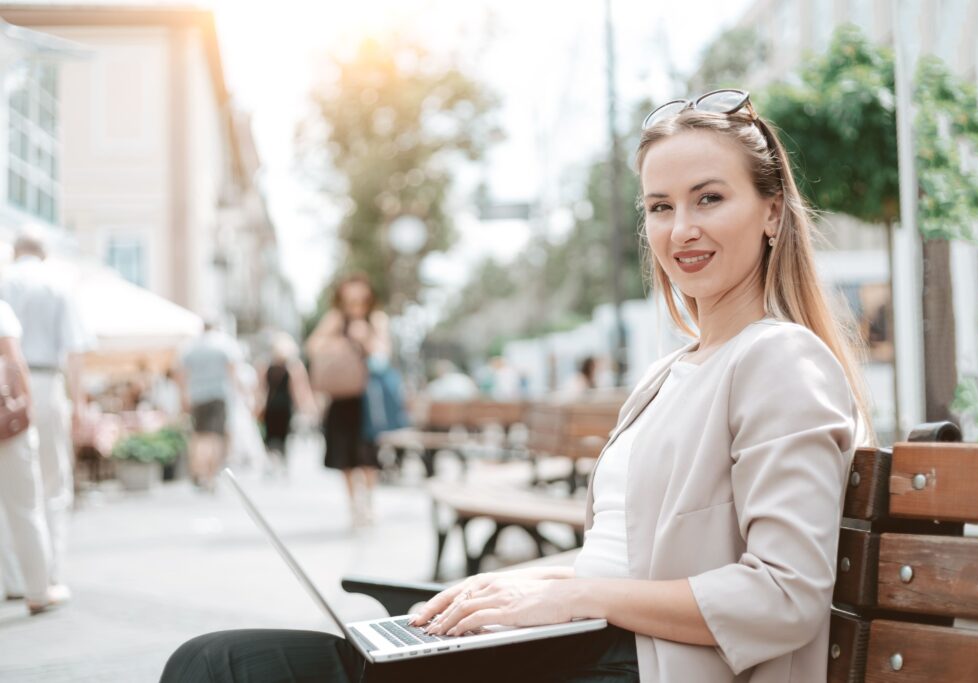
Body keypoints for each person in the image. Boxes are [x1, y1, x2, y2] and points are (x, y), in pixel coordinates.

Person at [161, 89, 871, 682]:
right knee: (219, 659)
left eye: (708, 198)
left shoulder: (781, 359)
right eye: (659, 206)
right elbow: (620, 553)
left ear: (772, 211)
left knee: (224, 666)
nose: (680, 228)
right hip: (589, 644)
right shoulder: (670, 372)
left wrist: (574, 597)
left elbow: (785, 595)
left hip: (653, 665)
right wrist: (528, 585)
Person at [0, 230, 92, 597]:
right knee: (52, 484)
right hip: (41, 381)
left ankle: (12, 580)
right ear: (44, 253)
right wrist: (80, 403)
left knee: (7, 488)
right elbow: (75, 350)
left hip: (2, 391)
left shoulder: (2, 282)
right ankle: (49, 574)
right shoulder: (59, 284)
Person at [0, 298, 69, 615]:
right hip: (7, 427)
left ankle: (12, 583)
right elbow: (13, 362)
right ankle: (39, 592)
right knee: (26, 508)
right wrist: (26, 408)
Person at [306, 275, 389, 526]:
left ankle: (370, 502)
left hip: (368, 398)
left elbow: (385, 354)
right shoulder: (334, 319)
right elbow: (312, 346)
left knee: (368, 456)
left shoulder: (377, 320)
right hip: (342, 397)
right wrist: (339, 343)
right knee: (346, 457)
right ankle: (354, 506)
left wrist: (365, 339)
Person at [176, 322, 241, 491]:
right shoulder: (224, 344)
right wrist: (234, 393)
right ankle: (211, 475)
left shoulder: (191, 346)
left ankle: (199, 472)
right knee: (215, 437)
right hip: (218, 395)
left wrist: (184, 395)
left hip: (197, 396)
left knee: (199, 436)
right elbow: (232, 369)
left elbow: (181, 372)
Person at [259, 333, 316, 477]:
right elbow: (299, 389)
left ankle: (273, 461)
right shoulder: (293, 367)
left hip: (270, 406)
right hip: (285, 407)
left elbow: (260, 388)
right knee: (283, 435)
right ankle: (281, 462)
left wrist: (259, 404)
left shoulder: (266, 366)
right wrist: (306, 406)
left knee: (271, 435)